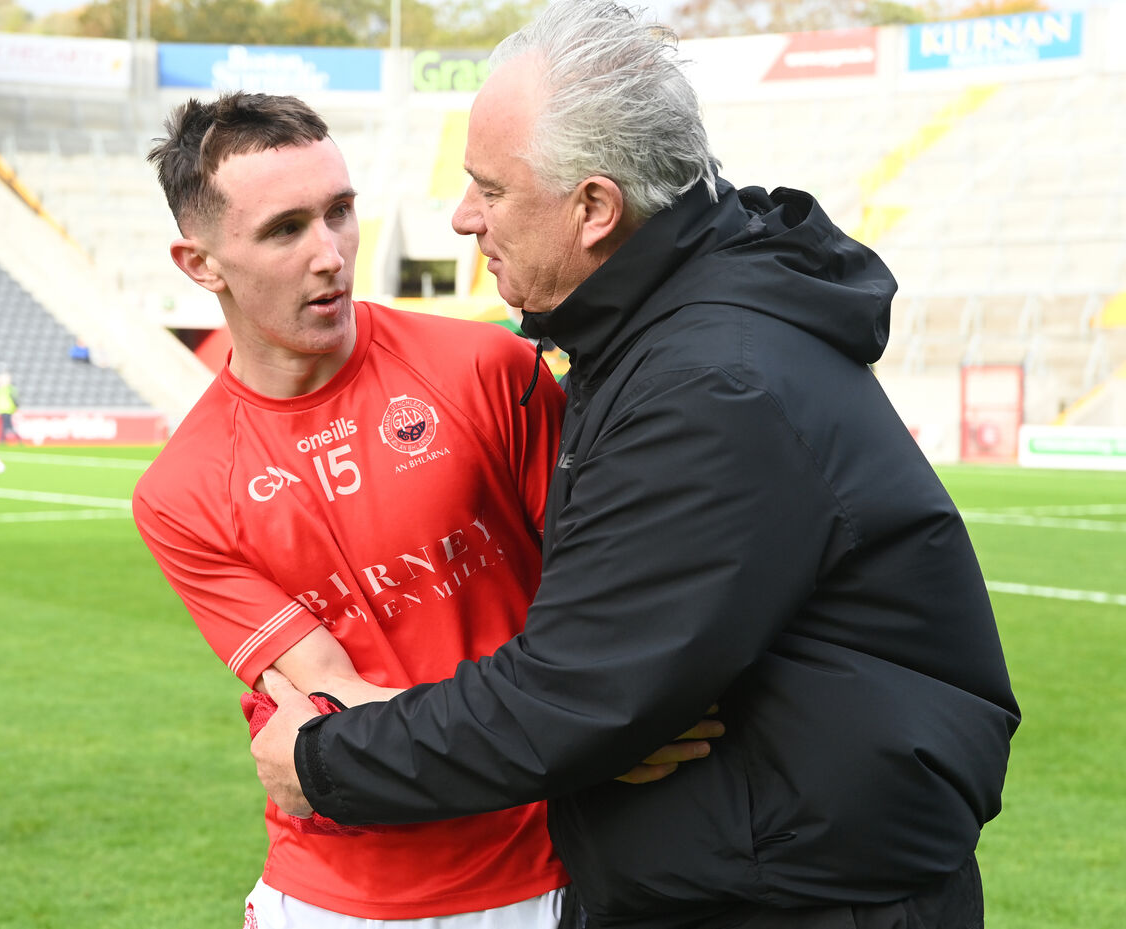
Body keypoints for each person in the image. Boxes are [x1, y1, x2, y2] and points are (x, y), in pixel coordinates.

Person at [251, 4, 1021, 929]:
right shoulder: (671, 331)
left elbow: (577, 691)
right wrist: (606, 721)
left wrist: (329, 758)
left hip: (793, 895)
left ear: (594, 209)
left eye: (489, 190)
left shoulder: (710, 380)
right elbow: (605, 690)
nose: (462, 219)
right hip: (760, 867)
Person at [132, 91, 711, 929]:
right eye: (285, 229)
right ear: (200, 263)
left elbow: (606, 600)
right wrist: (577, 736)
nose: (330, 254)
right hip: (333, 892)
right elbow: (326, 697)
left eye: (340, 212)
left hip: (547, 873)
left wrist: (597, 723)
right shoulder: (182, 493)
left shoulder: (486, 366)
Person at [0, 372, 20, 444]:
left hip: (8, 409)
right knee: (7, 425)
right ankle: (4, 439)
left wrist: (15, 407)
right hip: (3, 409)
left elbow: (14, 399)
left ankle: (3, 440)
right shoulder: (1, 389)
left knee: (7, 426)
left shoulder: (9, 389)